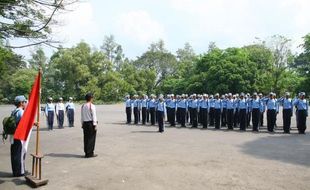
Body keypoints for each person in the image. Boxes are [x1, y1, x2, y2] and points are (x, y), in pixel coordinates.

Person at [10, 95, 28, 177]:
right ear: (21, 103)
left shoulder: (14, 111)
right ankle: (19, 172)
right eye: (24, 102)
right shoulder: (21, 111)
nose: (25, 103)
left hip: (13, 135)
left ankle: (16, 171)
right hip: (19, 135)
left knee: (15, 153)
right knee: (19, 153)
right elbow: (25, 122)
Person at [81, 93, 98, 158]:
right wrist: (95, 124)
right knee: (91, 139)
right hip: (91, 123)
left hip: (85, 123)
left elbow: (82, 116)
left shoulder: (83, 106)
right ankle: (90, 153)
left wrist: (82, 123)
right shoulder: (92, 106)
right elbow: (94, 115)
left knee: (86, 138)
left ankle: (86, 153)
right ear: (91, 98)